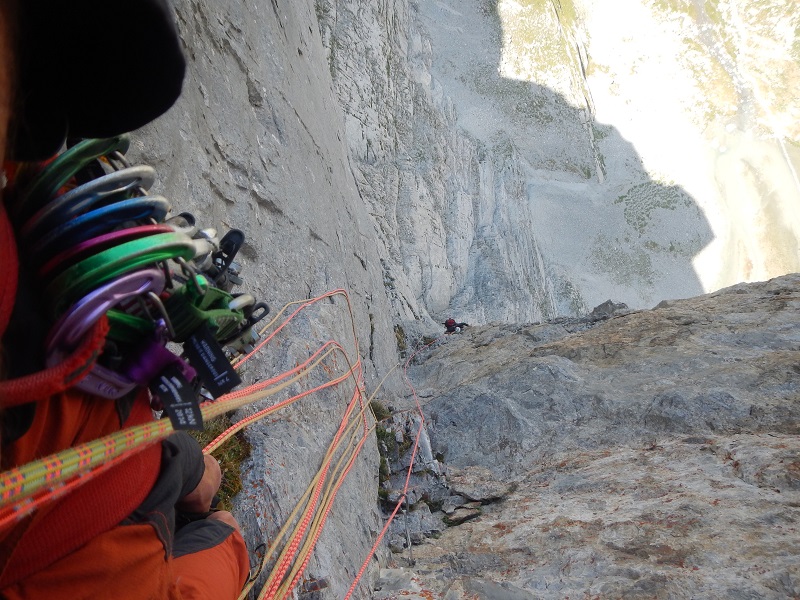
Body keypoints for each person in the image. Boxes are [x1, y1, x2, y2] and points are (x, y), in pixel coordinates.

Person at [0, 1, 249, 597]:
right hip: (102, 490)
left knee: (192, 471)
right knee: (200, 490)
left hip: (115, 452)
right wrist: (228, 547)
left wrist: (177, 463)